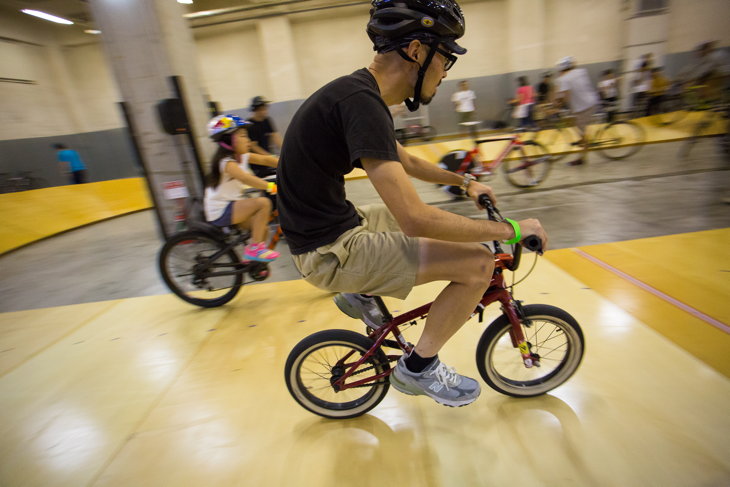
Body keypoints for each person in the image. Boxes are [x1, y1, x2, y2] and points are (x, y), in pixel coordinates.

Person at [277, 0, 547, 408]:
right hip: (329, 252)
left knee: (418, 224)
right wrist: (512, 229)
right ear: (417, 51)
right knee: (476, 264)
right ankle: (418, 367)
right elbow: (416, 219)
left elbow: (405, 160)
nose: (444, 72)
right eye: (445, 58)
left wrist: (466, 180)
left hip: (329, 232)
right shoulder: (362, 104)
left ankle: (360, 295)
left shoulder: (359, 93)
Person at [204, 114, 280, 263]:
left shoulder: (241, 156)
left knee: (262, 229)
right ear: (229, 140)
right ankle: (255, 250)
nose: (248, 140)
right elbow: (245, 178)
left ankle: (252, 261)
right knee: (263, 203)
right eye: (243, 136)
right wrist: (270, 186)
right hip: (220, 210)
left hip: (232, 205)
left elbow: (265, 159)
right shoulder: (226, 162)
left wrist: (289, 161)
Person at [553, 56, 600, 166]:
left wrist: (558, 106)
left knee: (582, 132)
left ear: (561, 69)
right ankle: (584, 141)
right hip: (591, 102)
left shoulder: (564, 79)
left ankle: (582, 157)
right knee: (576, 125)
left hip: (583, 107)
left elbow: (565, 96)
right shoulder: (581, 71)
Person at [246, 96, 282, 179]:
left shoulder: (267, 120)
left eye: (265, 108)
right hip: (257, 163)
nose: (265, 111)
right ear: (255, 110)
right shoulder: (250, 125)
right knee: (266, 182)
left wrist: (284, 151)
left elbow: (275, 136)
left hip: (268, 158)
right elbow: (253, 146)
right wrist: (270, 157)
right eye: (262, 109)